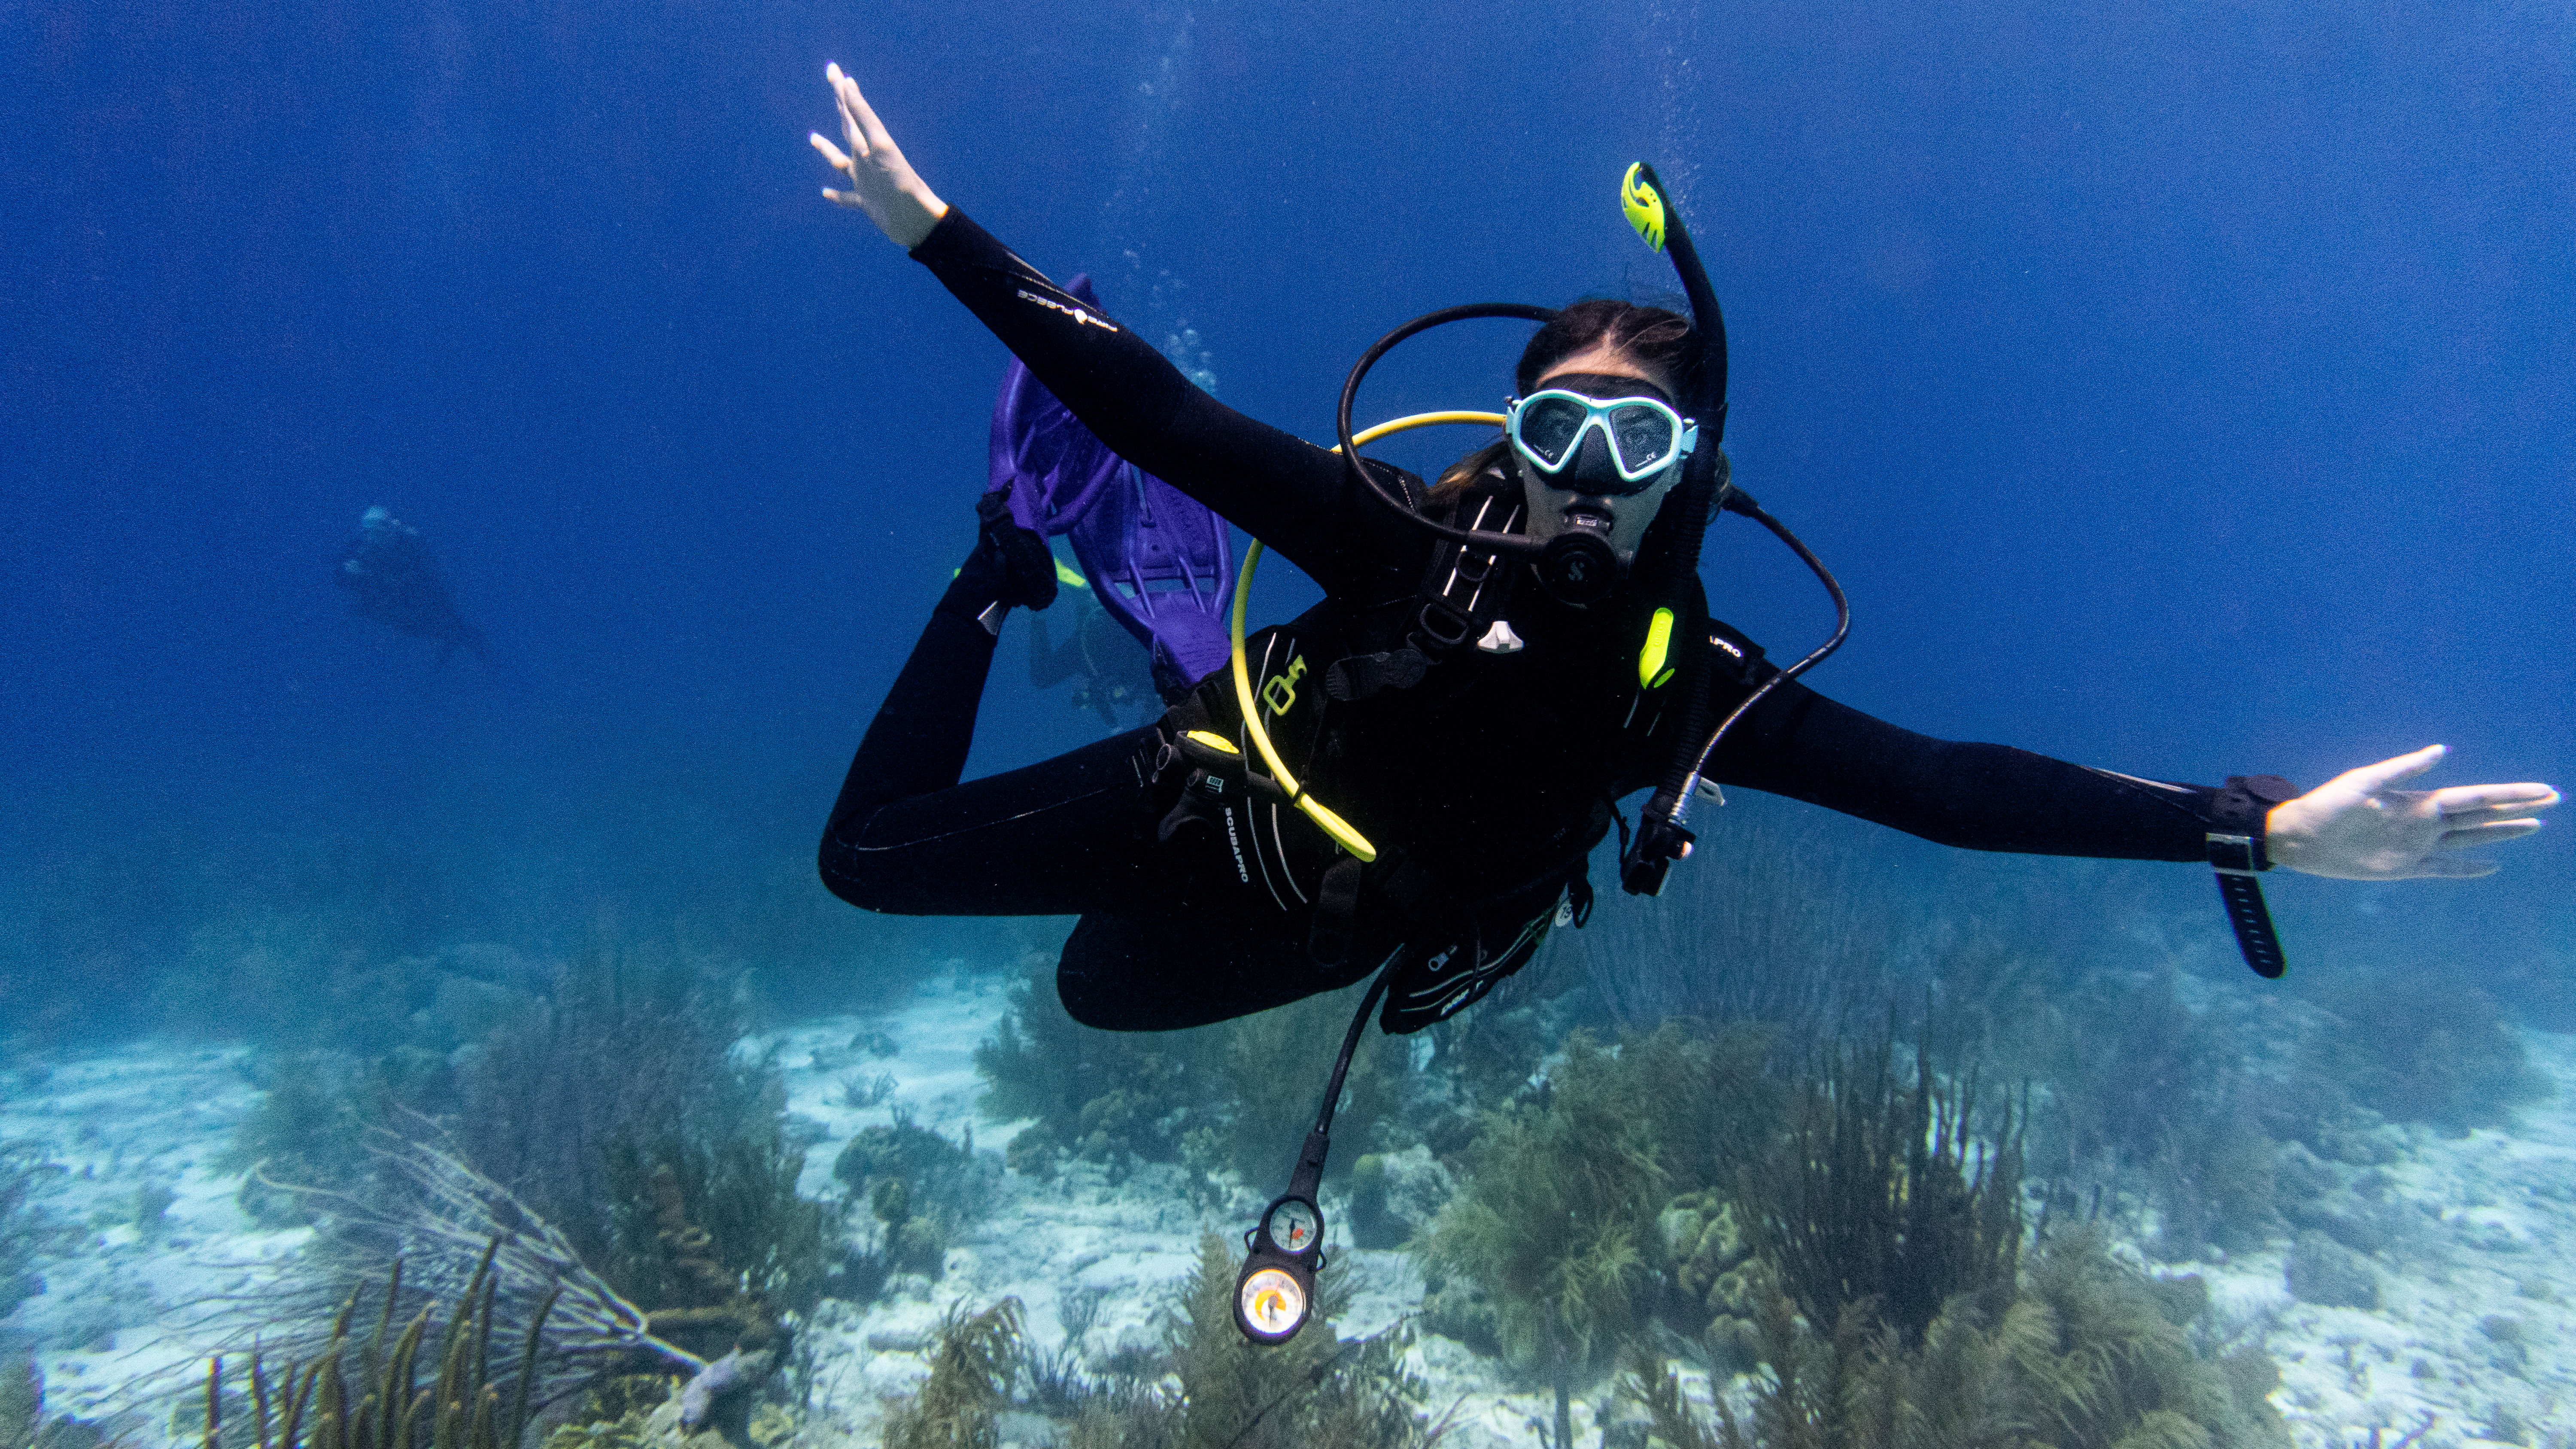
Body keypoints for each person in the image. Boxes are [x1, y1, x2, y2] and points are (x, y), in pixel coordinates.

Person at [804, 62, 2557, 1040]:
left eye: (1632, 444)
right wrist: (936, 236)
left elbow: (1947, 787)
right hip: (1217, 792)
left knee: (1094, 997)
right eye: (1554, 430)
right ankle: (1000, 572)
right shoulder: (1414, 542)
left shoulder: (1689, 691)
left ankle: (1099, 595)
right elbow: (1167, 419)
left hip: (1350, 915)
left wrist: (2246, 823)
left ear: (1690, 477)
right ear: (1512, 438)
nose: (1581, 476)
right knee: (866, 862)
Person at [335, 506, 489, 665]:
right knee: (435, 630)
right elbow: (341, 578)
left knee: (455, 626)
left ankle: (487, 664)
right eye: (371, 531)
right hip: (390, 602)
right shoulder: (360, 549)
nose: (375, 535)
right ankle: (449, 655)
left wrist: (373, 577)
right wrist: (352, 574)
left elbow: (424, 574)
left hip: (424, 593)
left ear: (391, 526)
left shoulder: (409, 541)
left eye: (381, 528)